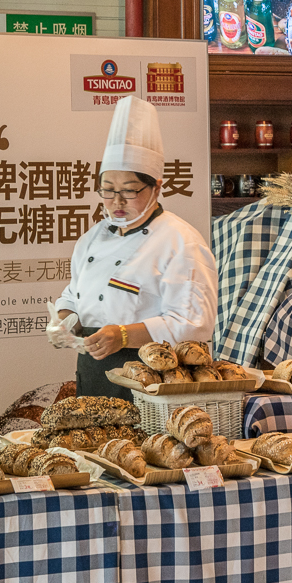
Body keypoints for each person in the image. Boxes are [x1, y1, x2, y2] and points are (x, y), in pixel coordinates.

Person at [52, 96, 217, 399]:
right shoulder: (93, 237)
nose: (116, 202)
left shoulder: (181, 241)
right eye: (108, 190)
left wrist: (124, 335)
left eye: (129, 192)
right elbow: (74, 294)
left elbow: (193, 325)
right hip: (93, 374)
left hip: (151, 378)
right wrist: (64, 320)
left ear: (157, 186)